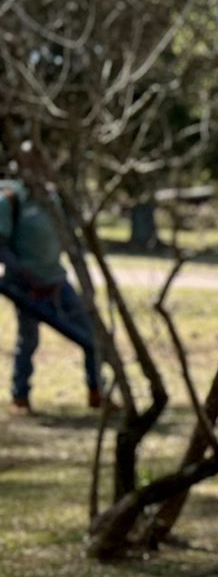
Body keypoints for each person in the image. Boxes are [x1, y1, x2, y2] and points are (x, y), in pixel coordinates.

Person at [0, 177, 107, 416]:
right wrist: (23, 273)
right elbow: (1, 246)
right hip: (25, 287)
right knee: (28, 341)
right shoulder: (11, 201)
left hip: (57, 280)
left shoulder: (54, 199)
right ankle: (20, 396)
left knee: (91, 336)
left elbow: (69, 235)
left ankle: (98, 392)